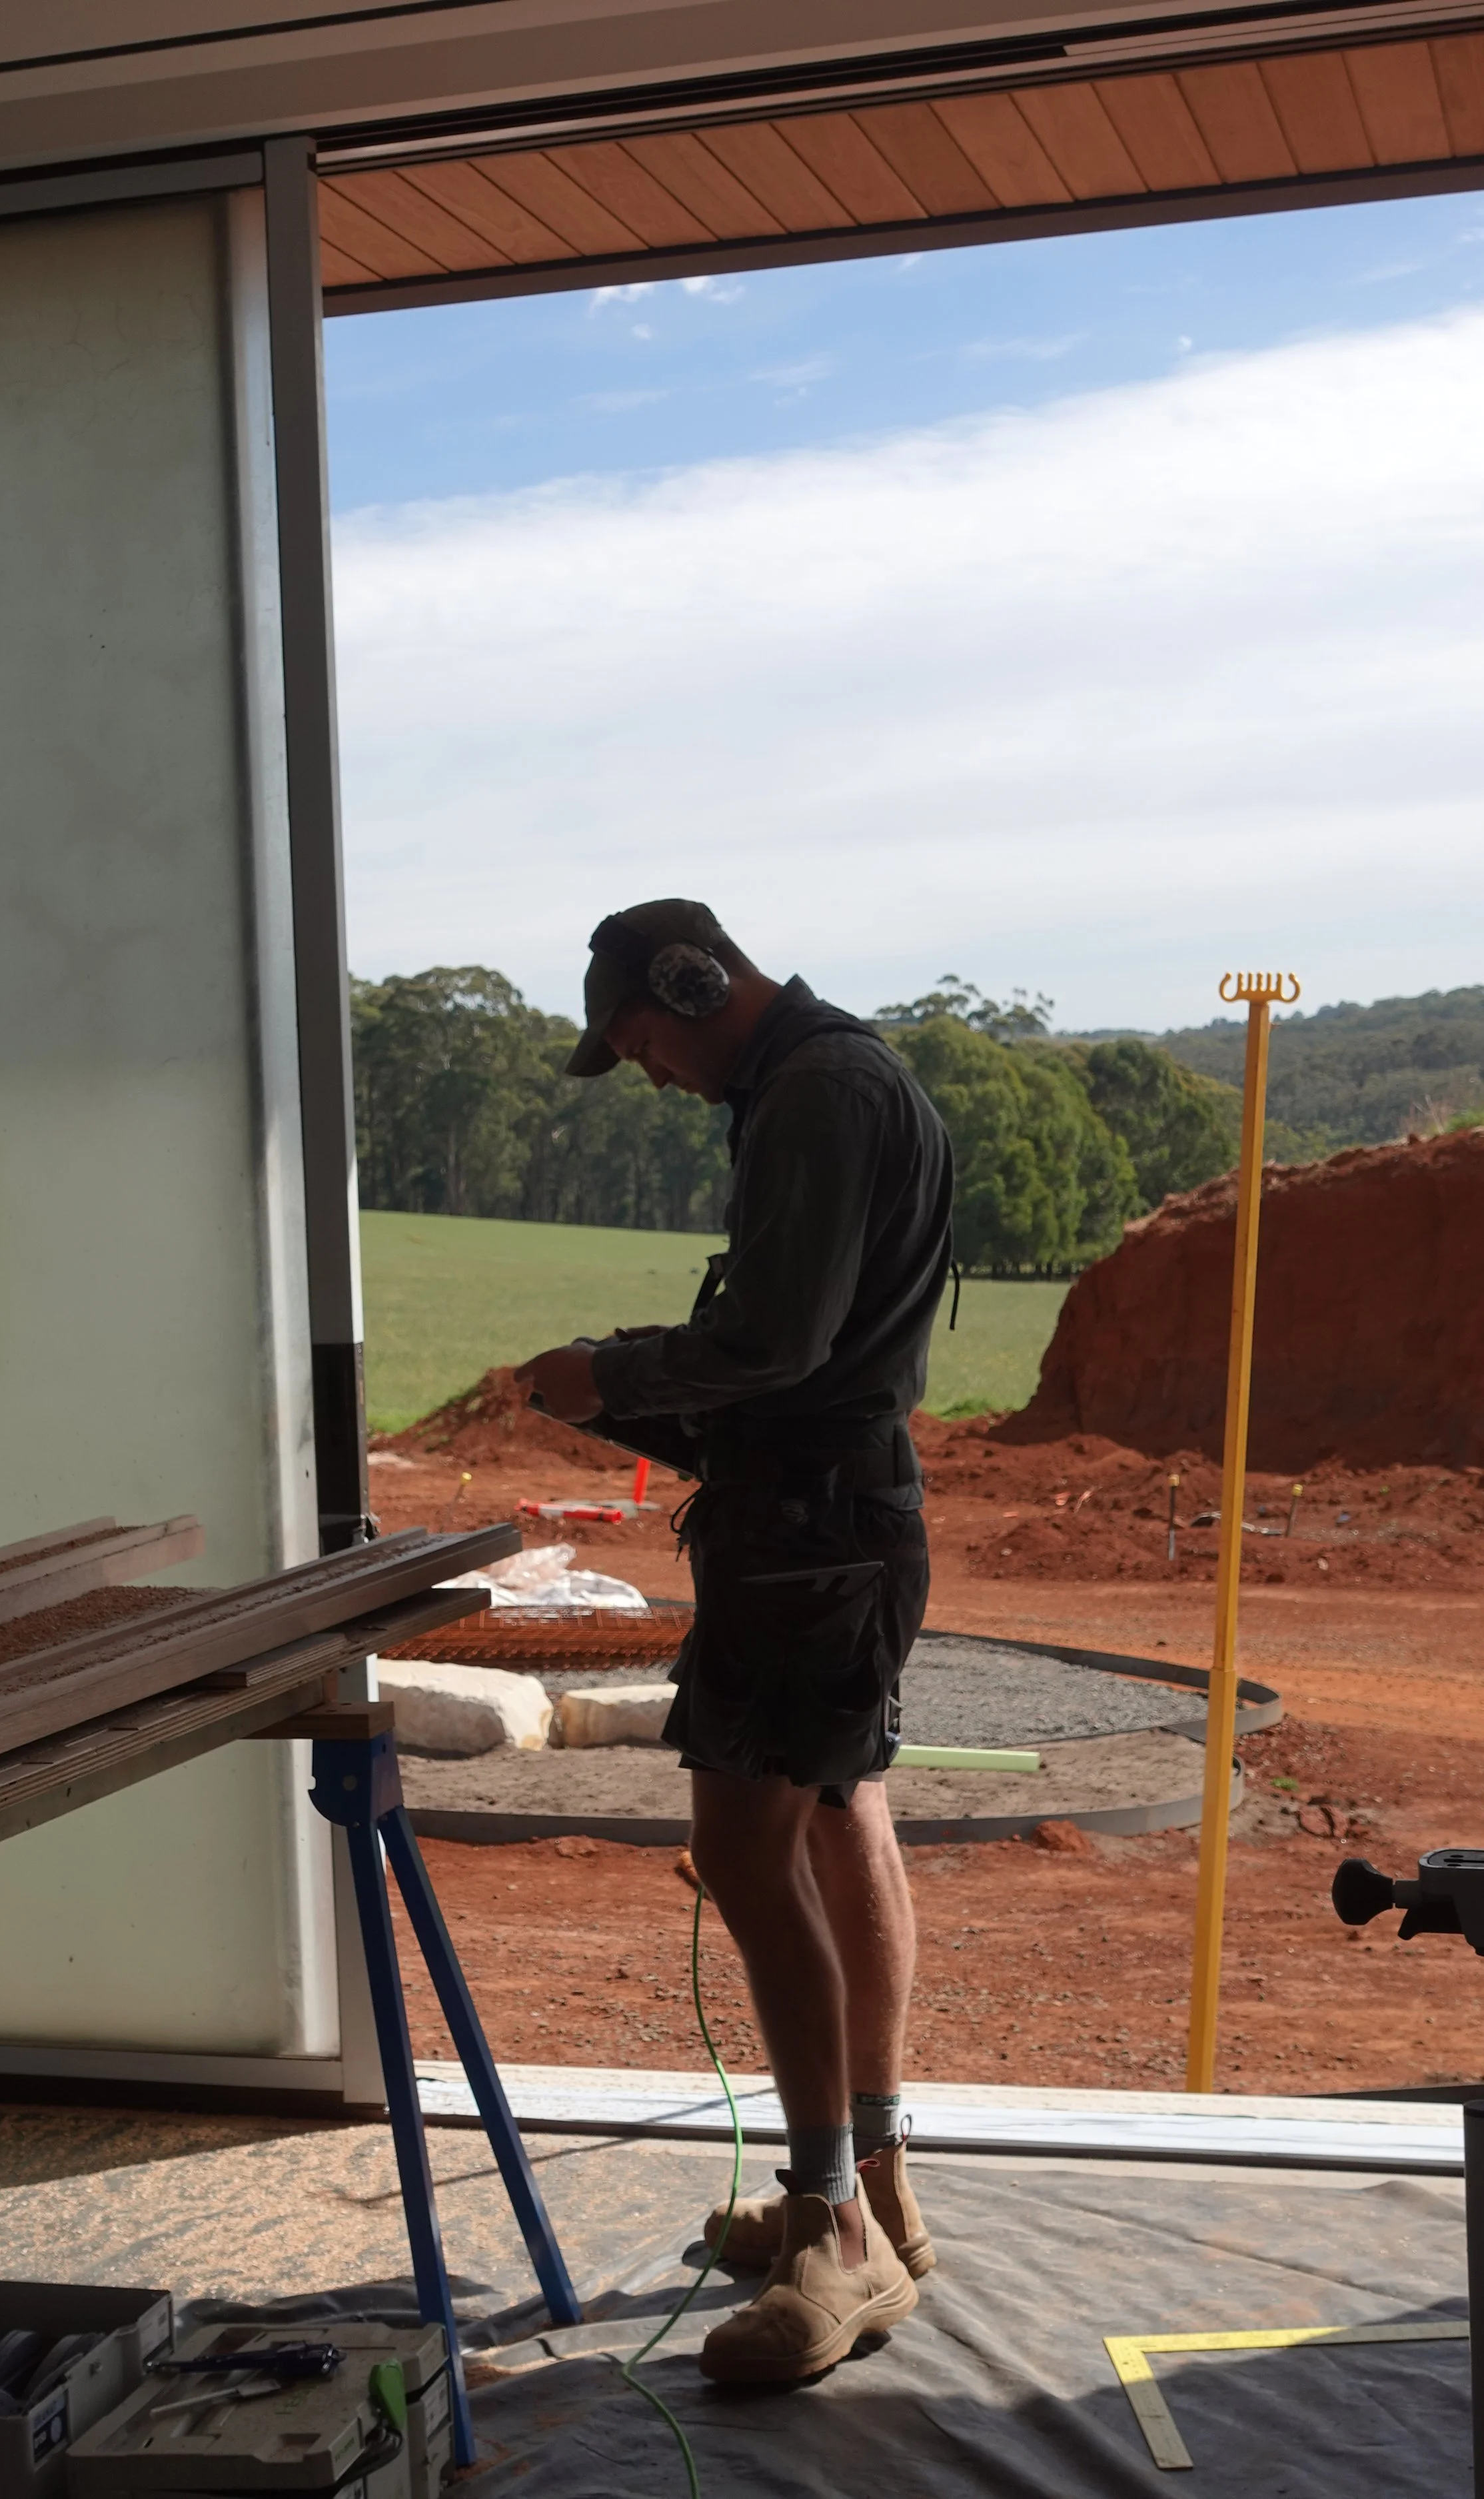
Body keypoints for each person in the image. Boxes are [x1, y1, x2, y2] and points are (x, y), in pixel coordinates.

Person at [515, 899, 955, 2386]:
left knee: (753, 1857)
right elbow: (808, 1341)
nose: (648, 1074)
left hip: (801, 1538)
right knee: (843, 1818)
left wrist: (603, 1377)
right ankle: (876, 2184)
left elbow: (773, 1342)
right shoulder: (838, 1079)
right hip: (836, 1521)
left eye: (642, 1040)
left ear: (692, 985)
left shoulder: (816, 1094)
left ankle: (832, 2233)